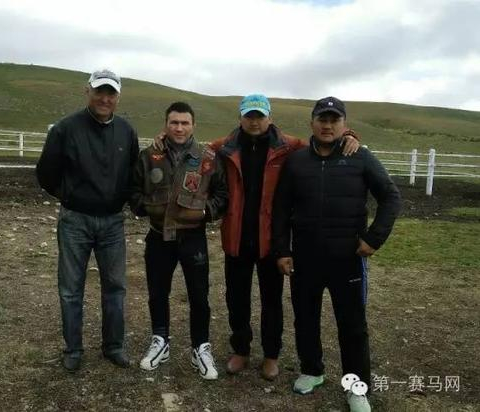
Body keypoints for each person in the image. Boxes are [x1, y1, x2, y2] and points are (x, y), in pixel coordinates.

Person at [154, 94, 359, 380]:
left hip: (270, 238)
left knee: (271, 300)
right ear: (240, 118)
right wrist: (166, 138)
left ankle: (271, 354)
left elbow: (322, 141)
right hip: (236, 235)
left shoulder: (288, 146)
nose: (254, 121)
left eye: (259, 116)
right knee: (236, 298)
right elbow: (192, 146)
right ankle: (241, 350)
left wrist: (348, 134)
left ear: (270, 118)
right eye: (249, 115)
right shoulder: (223, 147)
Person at [272, 97, 401, 411]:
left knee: (352, 325)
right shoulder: (297, 162)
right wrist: (283, 250)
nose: (328, 126)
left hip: (348, 259)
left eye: (334, 120)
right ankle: (312, 370)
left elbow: (390, 196)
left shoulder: (361, 157)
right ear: (312, 123)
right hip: (305, 258)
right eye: (322, 119)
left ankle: (356, 387)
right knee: (305, 318)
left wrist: (374, 238)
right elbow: (280, 209)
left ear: (344, 124)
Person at [36, 69, 139, 372]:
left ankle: (114, 346)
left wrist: (123, 200)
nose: (105, 98)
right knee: (71, 289)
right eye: (99, 92)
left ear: (118, 97)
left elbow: (134, 172)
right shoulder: (65, 129)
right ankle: (73, 349)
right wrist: (70, 195)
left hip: (112, 222)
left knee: (115, 287)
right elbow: (46, 174)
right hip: (75, 221)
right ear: (88, 92)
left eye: (111, 93)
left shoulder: (126, 132)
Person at [131, 102, 228, 380]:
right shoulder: (149, 156)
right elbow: (133, 189)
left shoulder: (208, 158)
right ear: (166, 124)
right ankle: (160, 341)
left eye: (185, 123)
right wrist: (146, 207)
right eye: (174, 122)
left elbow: (222, 194)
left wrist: (205, 212)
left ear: (193, 125)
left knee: (199, 295)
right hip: (158, 235)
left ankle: (201, 348)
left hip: (193, 237)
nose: (179, 128)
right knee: (157, 292)